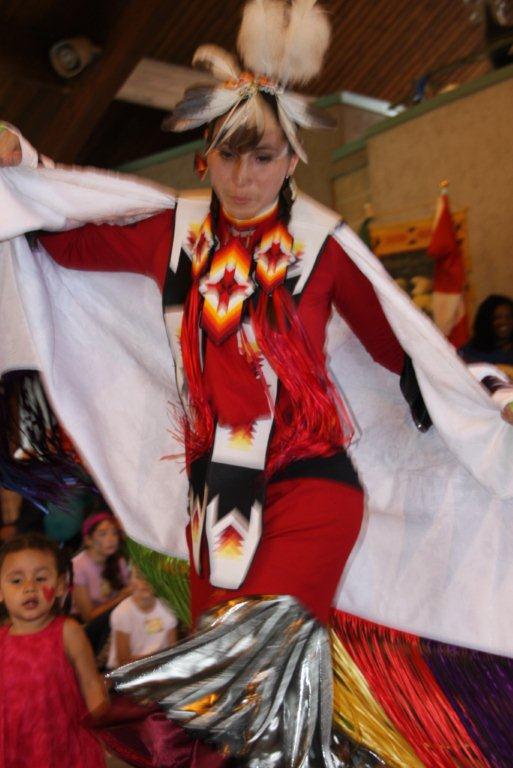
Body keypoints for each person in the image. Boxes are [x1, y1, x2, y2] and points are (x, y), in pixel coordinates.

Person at [1, 1, 513, 765]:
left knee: (250, 653)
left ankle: (178, 730)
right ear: (203, 158)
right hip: (216, 497)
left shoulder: (322, 245)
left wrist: (482, 394)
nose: (245, 176)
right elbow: (63, 239)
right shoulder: (172, 234)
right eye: (230, 156)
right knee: (252, 704)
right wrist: (24, 164)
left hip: (312, 485)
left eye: (264, 156)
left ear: (292, 159)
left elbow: (402, 351)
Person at [0, 532, 108, 767]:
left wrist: (106, 730)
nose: (30, 588)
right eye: (16, 580)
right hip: (13, 749)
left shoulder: (68, 632)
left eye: (41, 578)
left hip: (64, 747)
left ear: (60, 586)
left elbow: (91, 683)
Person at [73, 512, 131, 654]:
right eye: (103, 534)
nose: (111, 539)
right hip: (87, 627)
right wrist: (121, 596)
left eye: (114, 533)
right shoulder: (78, 566)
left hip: (114, 618)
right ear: (88, 540)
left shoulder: (118, 561)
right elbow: (88, 616)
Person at [107, 563, 178, 669]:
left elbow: (173, 651)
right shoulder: (122, 612)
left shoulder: (167, 609)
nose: (145, 582)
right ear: (130, 582)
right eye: (139, 577)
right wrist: (157, 660)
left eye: (150, 576)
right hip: (131, 671)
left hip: (160, 668)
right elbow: (123, 661)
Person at [459, 293, 513, 375]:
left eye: (509, 317)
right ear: (486, 321)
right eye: (497, 317)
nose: (504, 322)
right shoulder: (471, 350)